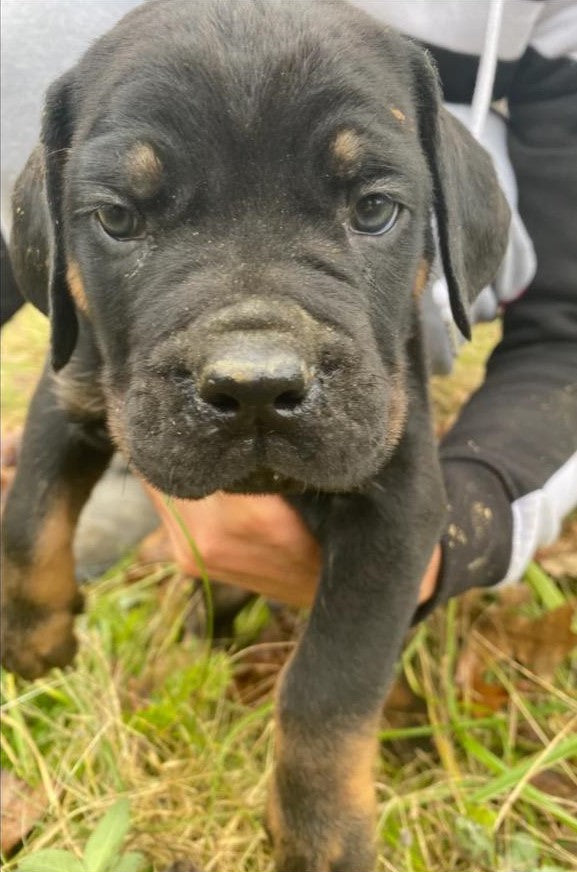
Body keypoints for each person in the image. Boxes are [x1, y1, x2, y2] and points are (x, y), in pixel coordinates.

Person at [2, 0, 576, 615]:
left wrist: (452, 531)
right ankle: (137, 481)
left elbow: (565, 332)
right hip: (150, 394)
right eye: (121, 216)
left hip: (361, 392)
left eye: (371, 208)